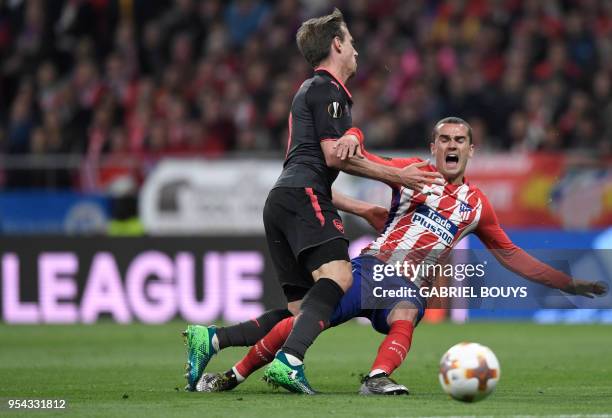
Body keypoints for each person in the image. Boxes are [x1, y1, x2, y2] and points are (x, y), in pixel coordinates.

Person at [194, 117, 606, 395]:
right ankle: (232, 374)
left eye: (459, 141)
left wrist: (566, 282)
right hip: (373, 266)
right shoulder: (411, 172)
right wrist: (352, 133)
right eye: (444, 139)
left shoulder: (476, 205)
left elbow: (511, 255)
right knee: (301, 320)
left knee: (408, 308)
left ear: (471, 151)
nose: (451, 146)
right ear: (433, 146)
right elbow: (358, 161)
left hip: (403, 284)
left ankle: (376, 377)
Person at [182, 8, 444, 393]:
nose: (356, 50)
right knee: (339, 278)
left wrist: (360, 208)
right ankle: (290, 363)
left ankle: (214, 339)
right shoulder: (328, 89)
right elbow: (335, 157)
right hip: (301, 196)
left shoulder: (312, 91)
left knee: (301, 312)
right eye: (351, 41)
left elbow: (313, 175)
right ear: (337, 44)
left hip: (285, 199)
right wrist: (397, 175)